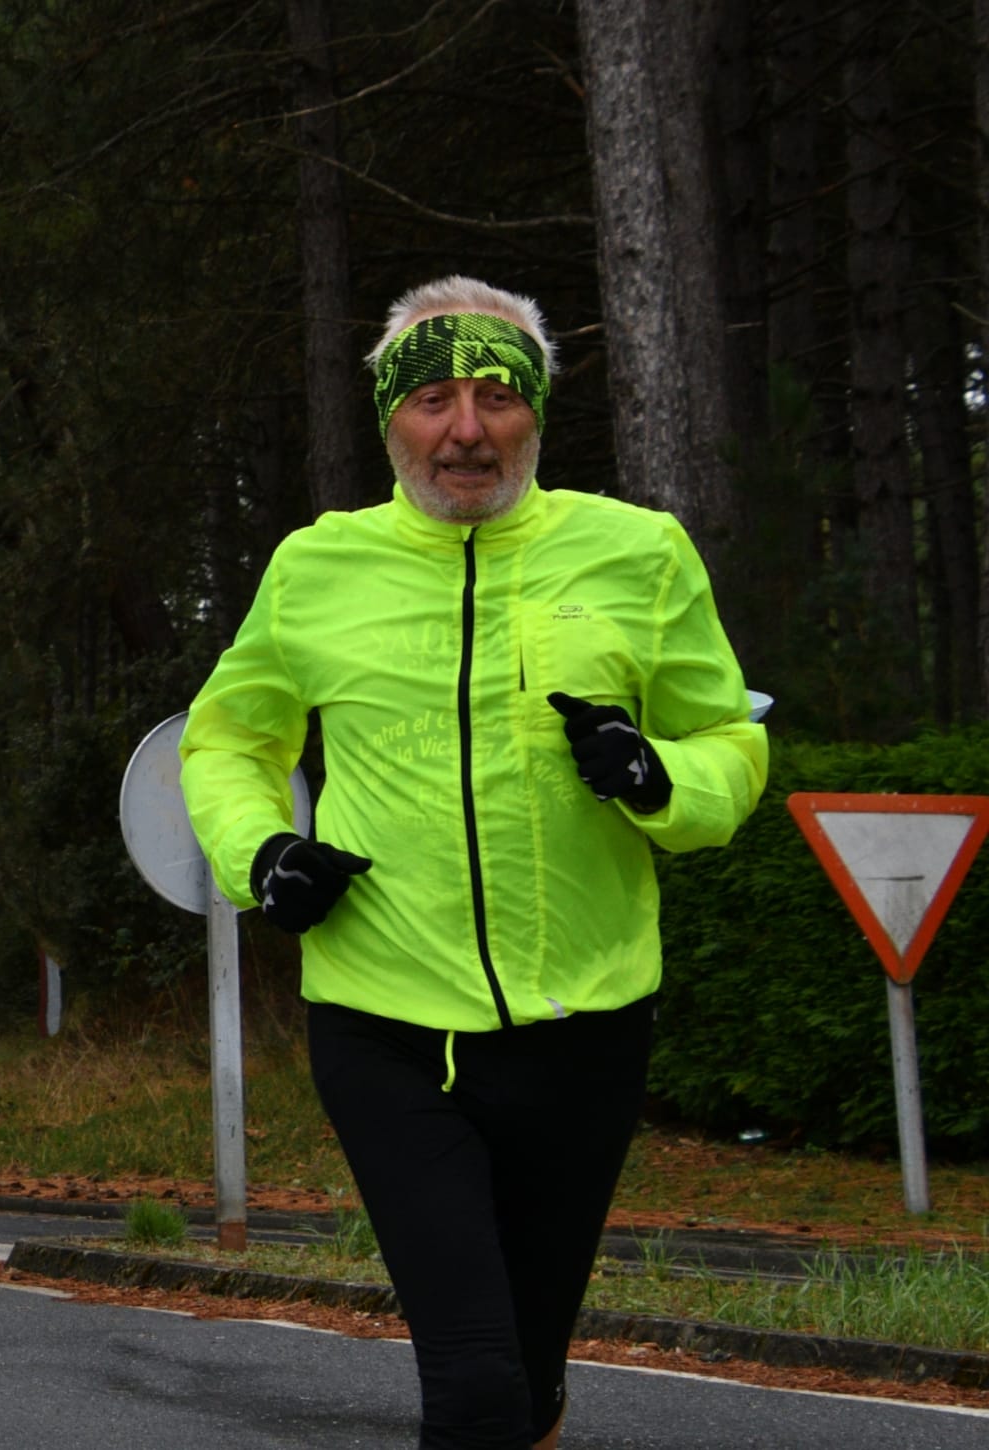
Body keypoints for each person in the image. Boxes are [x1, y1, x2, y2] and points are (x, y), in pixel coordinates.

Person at [179, 276, 767, 1450]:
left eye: (494, 396)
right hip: (381, 1020)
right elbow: (225, 740)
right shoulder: (315, 567)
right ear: (389, 419)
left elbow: (730, 745)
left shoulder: (637, 553)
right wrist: (263, 853)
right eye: (433, 397)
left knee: (528, 1375)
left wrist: (657, 778)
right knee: (473, 1383)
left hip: (585, 1017)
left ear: (534, 413)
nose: (463, 428)